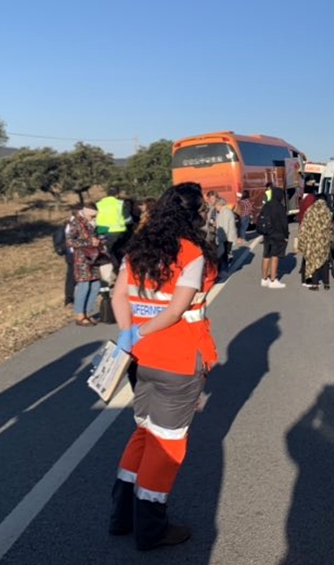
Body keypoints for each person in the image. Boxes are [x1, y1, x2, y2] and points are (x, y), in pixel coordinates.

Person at [108, 182, 219, 551]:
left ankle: (121, 516)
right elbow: (175, 311)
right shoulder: (190, 253)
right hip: (178, 358)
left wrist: (129, 334)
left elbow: (118, 294)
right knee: (167, 444)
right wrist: (142, 332)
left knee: (143, 432)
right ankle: (151, 528)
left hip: (141, 361)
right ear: (192, 215)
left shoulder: (137, 247)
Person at [66, 202, 105, 326]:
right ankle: (80, 315)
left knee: (95, 286)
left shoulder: (90, 224)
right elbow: (70, 241)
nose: (94, 219)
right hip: (82, 259)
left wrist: (99, 240)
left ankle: (87, 313)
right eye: (92, 216)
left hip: (93, 258)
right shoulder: (76, 223)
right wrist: (88, 241)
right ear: (86, 213)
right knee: (84, 287)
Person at [296, 194, 333, 290]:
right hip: (324, 240)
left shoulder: (310, 210)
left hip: (312, 240)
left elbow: (304, 226)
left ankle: (315, 284)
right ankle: (326, 283)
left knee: (313, 261)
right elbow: (330, 227)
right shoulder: (327, 211)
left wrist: (301, 240)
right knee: (324, 261)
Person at [258, 185, 289, 288]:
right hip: (277, 234)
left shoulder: (267, 205)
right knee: (275, 256)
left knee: (266, 255)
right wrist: (286, 234)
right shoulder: (280, 207)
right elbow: (284, 223)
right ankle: (273, 280)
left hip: (267, 234)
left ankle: (264, 278)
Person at [212, 196, 237, 273]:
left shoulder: (225, 212)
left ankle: (224, 271)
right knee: (224, 255)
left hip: (225, 238)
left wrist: (221, 239)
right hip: (225, 237)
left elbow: (225, 227)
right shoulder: (223, 212)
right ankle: (224, 270)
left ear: (219, 204)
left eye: (215, 205)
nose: (215, 208)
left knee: (224, 255)